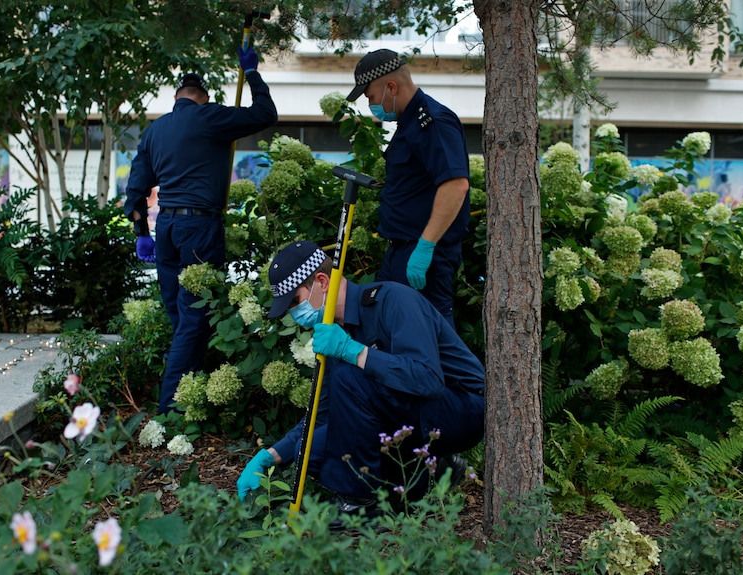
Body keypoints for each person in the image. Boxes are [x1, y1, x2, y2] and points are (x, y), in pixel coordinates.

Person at [236, 240, 485, 525]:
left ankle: (360, 504)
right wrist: (270, 456)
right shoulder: (337, 334)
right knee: (314, 452)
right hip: (413, 414)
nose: (295, 313)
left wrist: (357, 353)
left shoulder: (393, 300)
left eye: (295, 301)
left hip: (463, 408)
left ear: (322, 281)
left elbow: (427, 379)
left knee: (350, 374)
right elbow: (324, 413)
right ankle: (428, 472)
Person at [124, 47, 278, 414]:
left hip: (167, 229)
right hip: (199, 227)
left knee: (182, 318)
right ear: (203, 98)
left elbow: (135, 189)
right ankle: (170, 409)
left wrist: (141, 232)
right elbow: (265, 114)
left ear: (176, 97)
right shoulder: (209, 117)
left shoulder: (154, 130)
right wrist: (252, 74)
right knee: (194, 319)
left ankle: (190, 399)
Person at [345, 49, 472, 327]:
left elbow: (455, 185)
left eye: (371, 98)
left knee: (430, 338)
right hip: (401, 251)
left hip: (423, 254)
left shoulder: (433, 121)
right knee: (391, 332)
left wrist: (425, 247)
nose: (372, 106)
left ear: (391, 87)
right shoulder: (408, 123)